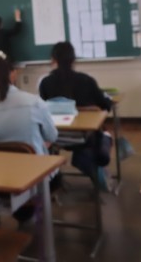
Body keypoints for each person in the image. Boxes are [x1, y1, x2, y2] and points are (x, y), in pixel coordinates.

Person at [39, 42, 113, 177]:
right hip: (84, 137)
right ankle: (93, 165)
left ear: (53, 60)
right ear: (73, 60)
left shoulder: (45, 83)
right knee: (105, 134)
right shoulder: (87, 80)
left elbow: (43, 109)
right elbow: (105, 106)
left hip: (54, 137)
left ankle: (54, 175)